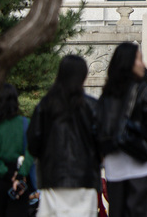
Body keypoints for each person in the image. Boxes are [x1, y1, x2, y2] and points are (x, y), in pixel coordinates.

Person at [96, 42, 147, 217]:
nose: (143, 64)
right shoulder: (142, 91)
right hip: (142, 163)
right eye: (139, 59)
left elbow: (98, 128)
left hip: (114, 166)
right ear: (128, 62)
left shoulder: (106, 95)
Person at [27, 54, 101, 217]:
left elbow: (33, 143)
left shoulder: (45, 106)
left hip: (53, 178)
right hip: (85, 179)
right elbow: (103, 143)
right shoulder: (92, 106)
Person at [0, 83, 34, 217]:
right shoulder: (24, 123)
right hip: (19, 178)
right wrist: (20, 174)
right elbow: (30, 152)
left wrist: (6, 174)